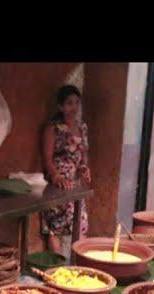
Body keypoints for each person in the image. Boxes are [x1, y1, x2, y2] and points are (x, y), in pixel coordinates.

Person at [40, 85, 91, 254]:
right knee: (55, 229)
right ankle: (57, 270)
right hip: (58, 185)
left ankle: (78, 268)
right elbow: (47, 158)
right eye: (69, 103)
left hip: (75, 185)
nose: (74, 107)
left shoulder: (82, 128)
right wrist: (56, 177)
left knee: (80, 225)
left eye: (77, 103)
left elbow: (83, 154)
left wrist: (84, 168)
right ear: (61, 106)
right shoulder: (52, 128)